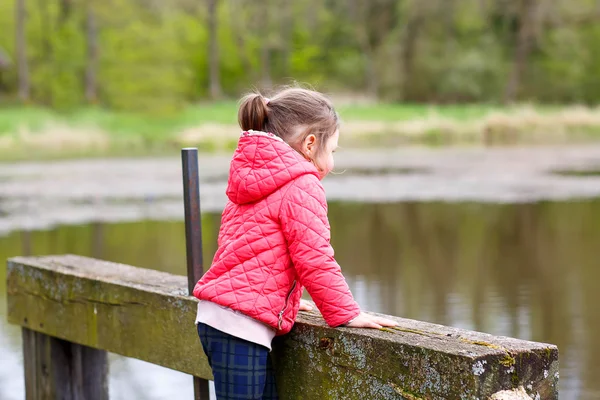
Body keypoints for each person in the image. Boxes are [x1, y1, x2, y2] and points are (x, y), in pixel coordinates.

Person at [193, 87, 397, 399]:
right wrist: (346, 314)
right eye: (332, 151)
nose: (330, 162)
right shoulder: (302, 184)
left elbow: (246, 248)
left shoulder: (251, 177)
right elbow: (314, 259)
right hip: (239, 326)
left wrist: (281, 297)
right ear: (310, 144)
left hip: (220, 318)